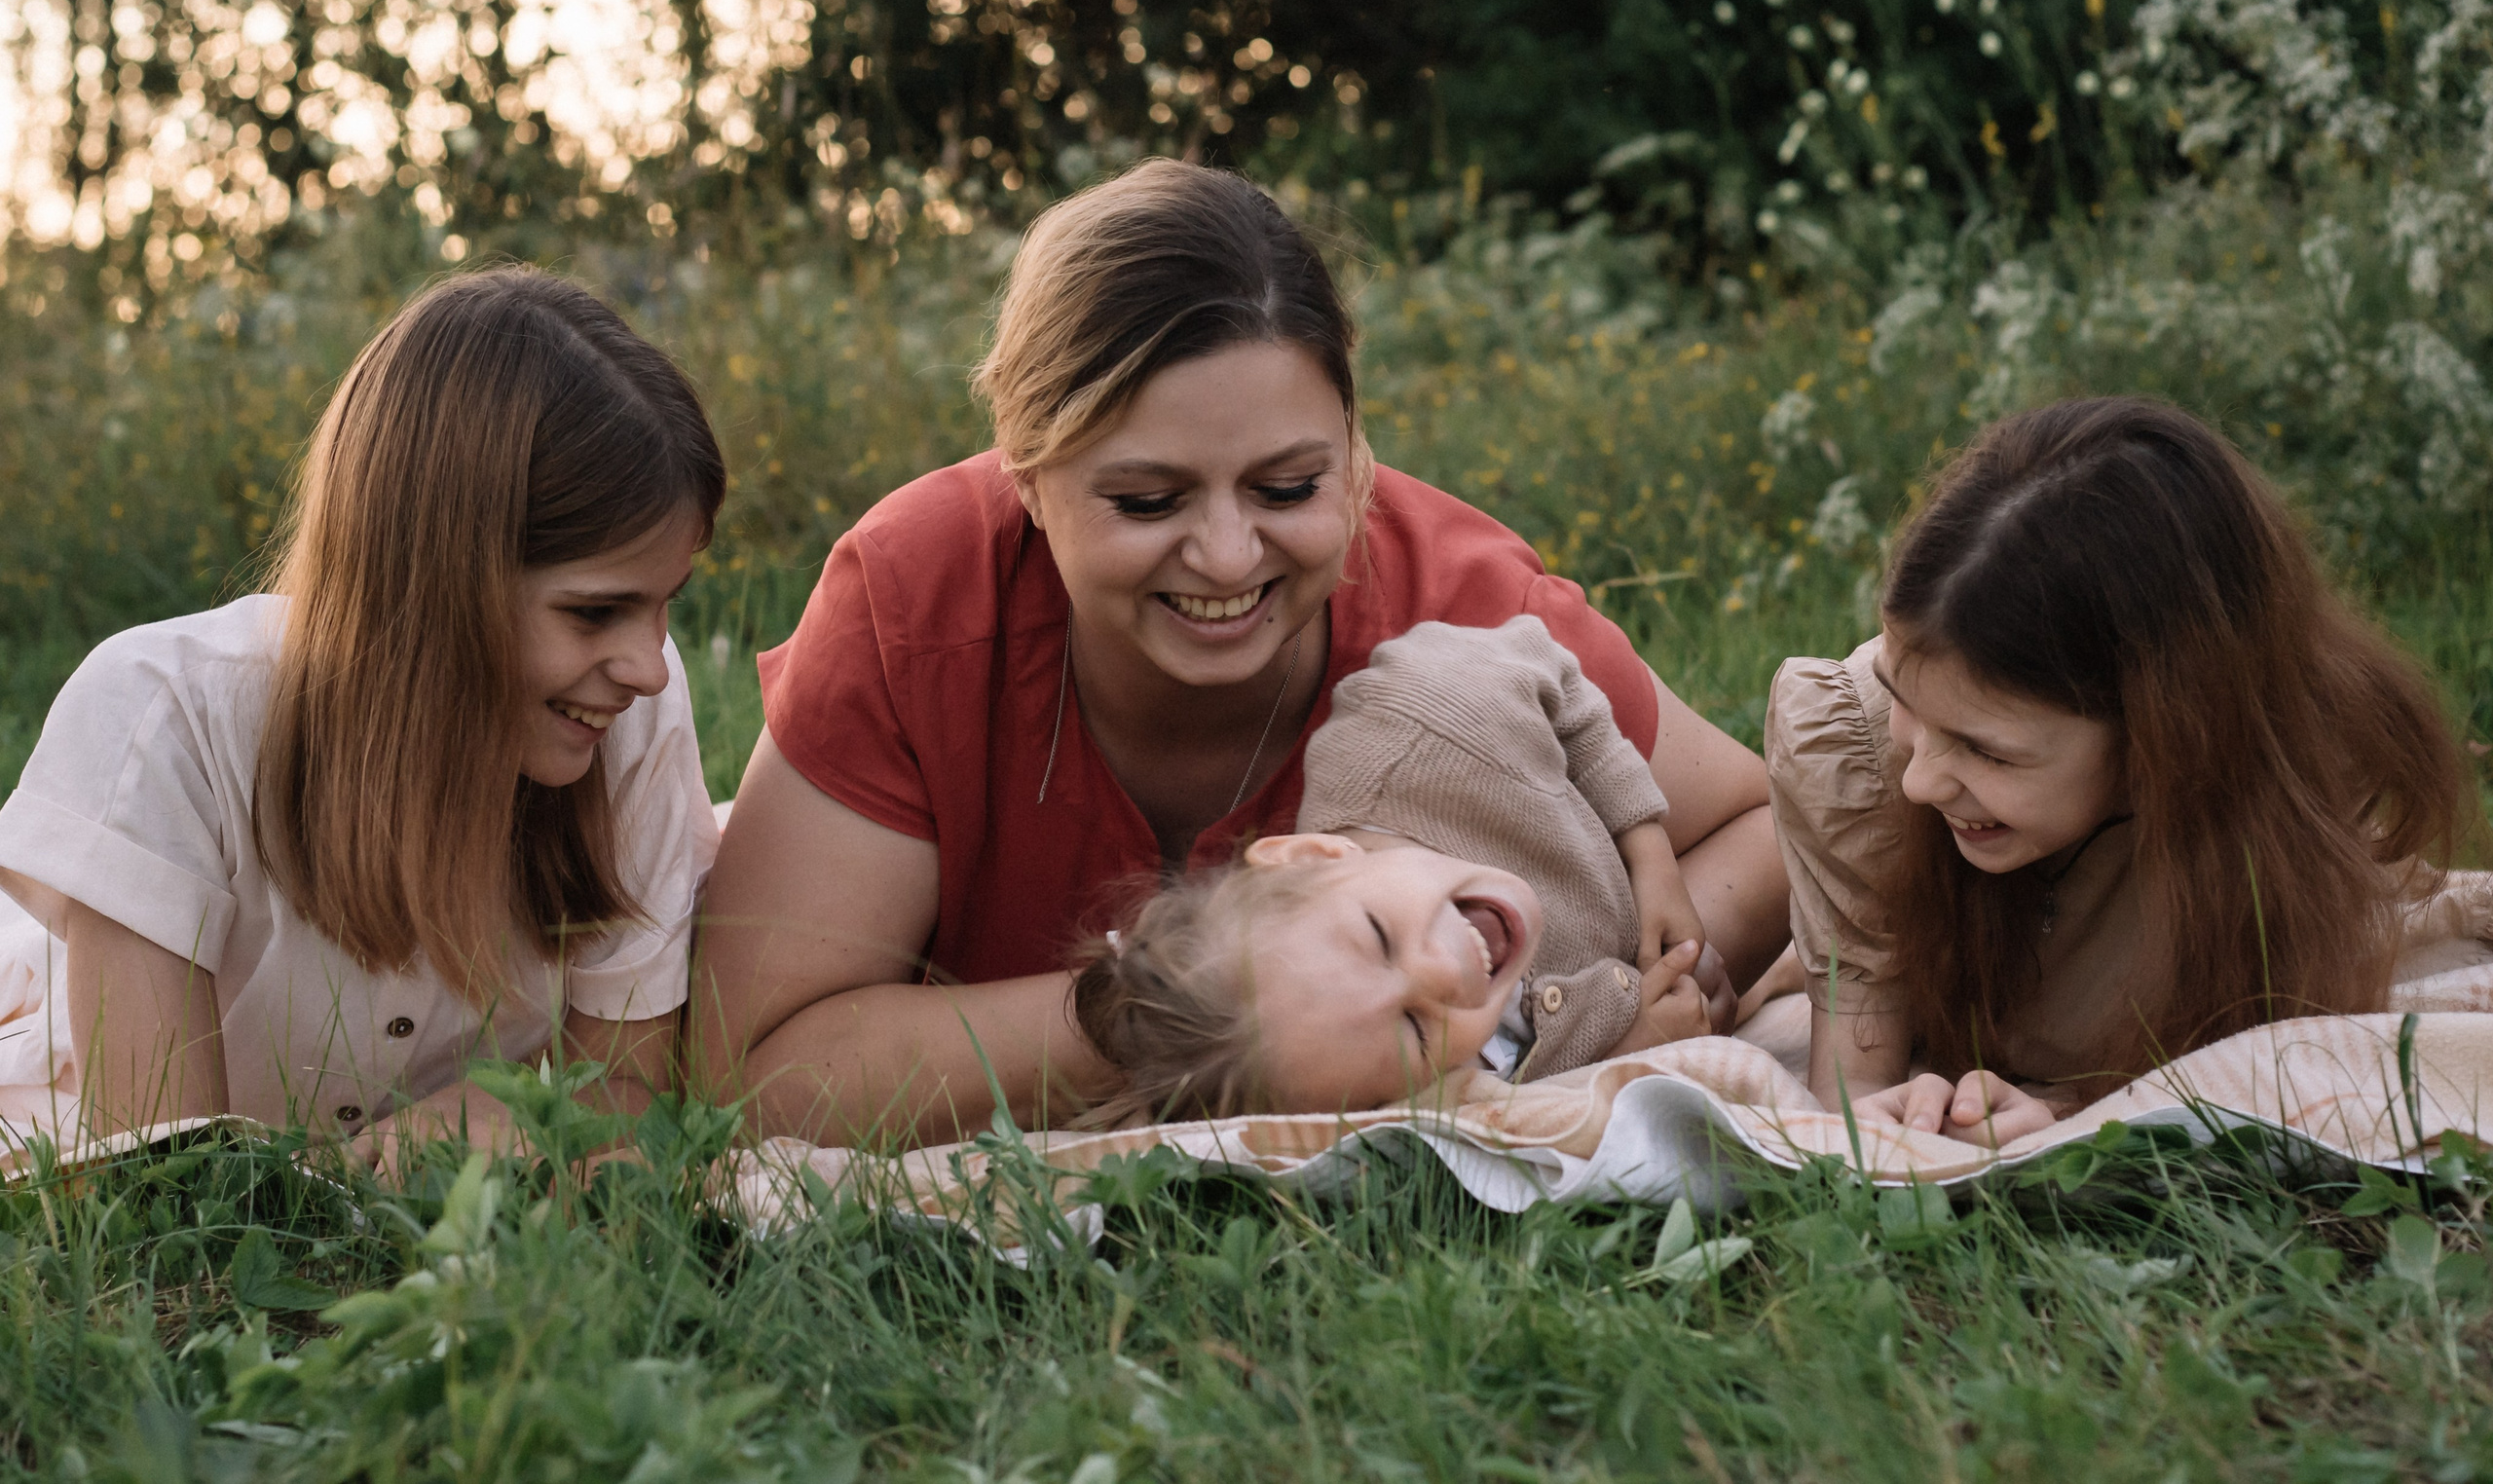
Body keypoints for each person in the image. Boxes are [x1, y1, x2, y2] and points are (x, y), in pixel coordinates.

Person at [693, 160, 1793, 1145]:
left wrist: (1588, 1004)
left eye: (1287, 488)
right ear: (1024, 474)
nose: (1225, 556)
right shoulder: (914, 597)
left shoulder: (1461, 609)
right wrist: (1210, 1021)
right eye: (1146, 497)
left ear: (1356, 448)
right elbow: (748, 1070)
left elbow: (1764, 825)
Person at [0, 268, 726, 1157]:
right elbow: (168, 1196)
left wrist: (510, 1113)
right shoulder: (163, 717)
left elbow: (628, 1097)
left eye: (667, 605)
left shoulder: (626, 720)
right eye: (593, 612)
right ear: (431, 585)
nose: (649, 669)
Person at [1768, 396, 2483, 1145]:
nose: (1922, 780)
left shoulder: (2289, 795)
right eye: (1902, 700)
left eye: (1988, 751)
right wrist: (1891, 1114)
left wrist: (2067, 1120)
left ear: (2166, 734)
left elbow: (2235, 1067)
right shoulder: (1858, 757)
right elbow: (1854, 1083)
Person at [1068, 615, 1721, 1126]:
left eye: (1380, 937)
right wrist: (1633, 1051)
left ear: (1312, 856)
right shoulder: (1445, 1084)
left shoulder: (1423, 723)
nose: (1443, 973)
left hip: (1642, 867)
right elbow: (1525, 1095)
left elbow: (1549, 669)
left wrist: (1649, 851)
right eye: (1413, 1031)